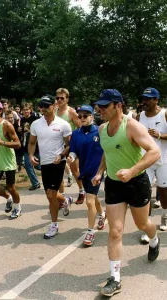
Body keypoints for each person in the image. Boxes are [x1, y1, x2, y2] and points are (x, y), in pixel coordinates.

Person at [92, 89, 160, 297]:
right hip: (114, 184)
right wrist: (99, 172)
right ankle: (115, 279)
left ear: (118, 106)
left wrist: (132, 171)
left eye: (105, 106)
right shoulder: (102, 128)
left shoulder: (132, 126)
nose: (100, 109)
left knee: (143, 224)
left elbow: (154, 151)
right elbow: (107, 151)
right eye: (99, 106)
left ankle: (154, 239)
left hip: (136, 182)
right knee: (115, 231)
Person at [29, 95, 73, 239]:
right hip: (45, 163)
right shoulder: (35, 124)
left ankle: (54, 225)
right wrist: (30, 155)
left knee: (50, 195)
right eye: (41, 106)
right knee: (50, 194)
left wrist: (61, 155)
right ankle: (65, 200)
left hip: (58, 162)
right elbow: (32, 143)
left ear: (54, 106)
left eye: (47, 105)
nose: (44, 108)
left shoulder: (63, 124)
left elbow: (69, 145)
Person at [67, 105, 106, 246]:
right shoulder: (76, 133)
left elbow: (106, 150)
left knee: (89, 201)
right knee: (93, 200)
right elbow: (73, 150)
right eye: (80, 116)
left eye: (85, 115)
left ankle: (90, 232)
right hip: (84, 171)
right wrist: (71, 157)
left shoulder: (100, 131)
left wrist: (103, 170)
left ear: (92, 116)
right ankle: (102, 215)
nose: (82, 118)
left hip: (96, 172)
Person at [137, 87, 167, 243]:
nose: (145, 102)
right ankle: (147, 228)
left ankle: (165, 216)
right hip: (146, 161)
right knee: (145, 193)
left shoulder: (164, 114)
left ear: (156, 100)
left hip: (163, 160)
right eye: (144, 98)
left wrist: (160, 135)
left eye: (149, 99)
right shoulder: (139, 116)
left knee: (163, 192)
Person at [0, 100, 22, 220]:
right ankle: (8, 198)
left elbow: (18, 144)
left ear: (0, 111)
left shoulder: (6, 125)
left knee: (11, 187)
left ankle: (17, 208)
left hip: (8, 163)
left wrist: (3, 143)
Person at [55, 88, 85, 204]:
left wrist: (74, 140)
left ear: (67, 99)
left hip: (71, 145)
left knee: (75, 170)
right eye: (57, 98)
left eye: (62, 98)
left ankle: (82, 191)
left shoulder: (71, 112)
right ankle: (62, 198)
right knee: (59, 172)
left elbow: (80, 127)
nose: (59, 100)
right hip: (58, 145)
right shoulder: (55, 111)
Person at [20, 103, 41, 190]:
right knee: (27, 165)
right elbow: (23, 132)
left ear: (30, 110)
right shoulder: (22, 120)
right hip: (27, 146)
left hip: (37, 146)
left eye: (27, 109)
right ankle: (35, 183)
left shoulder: (35, 118)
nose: (26, 111)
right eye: (24, 110)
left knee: (39, 166)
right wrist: (21, 130)